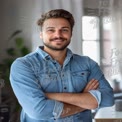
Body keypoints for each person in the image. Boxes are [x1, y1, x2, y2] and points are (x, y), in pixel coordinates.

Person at [10, 9, 114, 122]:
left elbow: (108, 99)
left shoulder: (87, 63)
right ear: (41, 34)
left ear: (71, 34)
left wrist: (50, 96)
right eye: (51, 30)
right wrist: (85, 100)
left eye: (64, 30)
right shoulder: (24, 65)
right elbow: (39, 111)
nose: (58, 35)